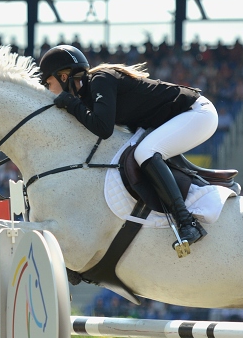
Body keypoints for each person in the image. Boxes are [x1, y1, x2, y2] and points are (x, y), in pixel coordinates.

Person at [38, 44, 218, 253]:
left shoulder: (100, 80)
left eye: (48, 83)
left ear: (62, 77)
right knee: (138, 152)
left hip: (197, 113)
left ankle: (187, 222)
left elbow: (103, 129)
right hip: (179, 118)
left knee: (145, 152)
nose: (49, 90)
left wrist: (70, 103)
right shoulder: (87, 95)